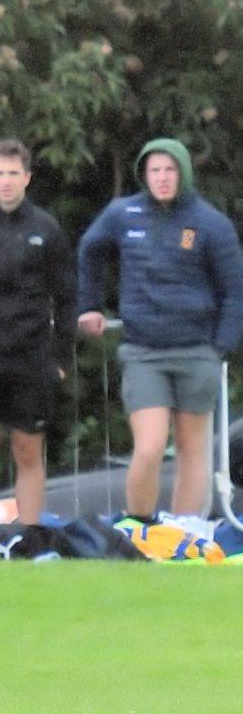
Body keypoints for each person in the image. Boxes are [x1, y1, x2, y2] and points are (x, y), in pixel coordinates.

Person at [77, 138, 243, 527]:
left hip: (197, 351)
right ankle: (140, 528)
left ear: (183, 172)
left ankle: (184, 533)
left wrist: (220, 346)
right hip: (143, 351)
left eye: (170, 170)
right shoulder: (123, 214)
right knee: (150, 447)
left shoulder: (210, 223)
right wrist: (89, 305)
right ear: (144, 174)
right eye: (155, 170)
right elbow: (89, 249)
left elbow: (235, 290)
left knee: (191, 450)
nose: (163, 178)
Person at [0, 139, 77, 526]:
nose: (6, 181)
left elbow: (67, 296)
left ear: (27, 178)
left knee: (28, 452)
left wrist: (60, 357)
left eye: (13, 174)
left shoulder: (46, 228)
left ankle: (30, 536)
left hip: (32, 359)